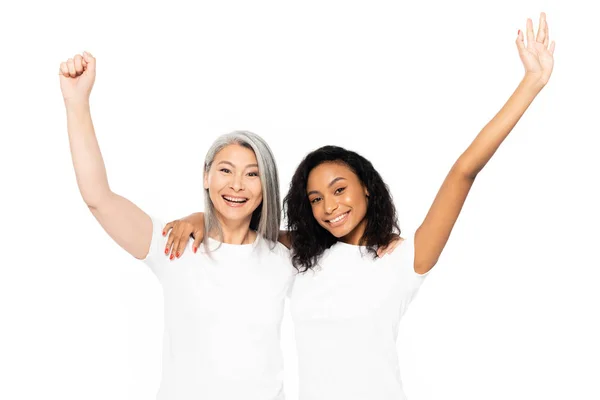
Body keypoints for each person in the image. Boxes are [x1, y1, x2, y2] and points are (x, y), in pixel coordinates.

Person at [162, 13, 555, 400]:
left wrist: (531, 83)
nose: (329, 206)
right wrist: (198, 217)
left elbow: (464, 172)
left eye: (338, 190)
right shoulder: (300, 256)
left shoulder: (405, 259)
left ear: (366, 188)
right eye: (315, 199)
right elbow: (244, 229)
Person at [59, 52, 295, 400]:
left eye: (252, 174)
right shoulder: (175, 245)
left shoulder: (284, 258)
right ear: (206, 176)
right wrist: (76, 102)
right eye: (226, 170)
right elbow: (99, 198)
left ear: (267, 186)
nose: (236, 185)